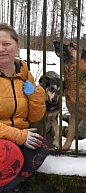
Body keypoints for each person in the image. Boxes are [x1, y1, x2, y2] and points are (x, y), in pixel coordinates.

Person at [0, 23, 49, 192]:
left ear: (17, 46)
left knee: (40, 148)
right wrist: (19, 136)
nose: (1, 49)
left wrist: (35, 94)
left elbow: (35, 116)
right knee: (11, 153)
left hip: (16, 135)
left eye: (6, 44)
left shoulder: (24, 73)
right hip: (5, 138)